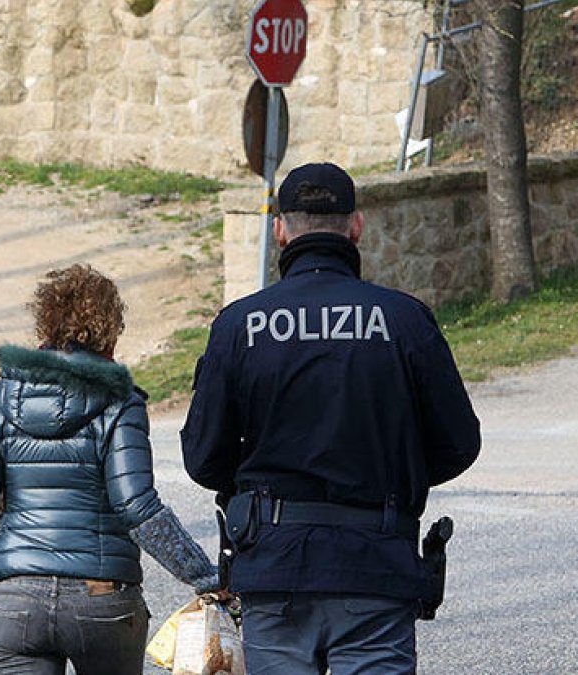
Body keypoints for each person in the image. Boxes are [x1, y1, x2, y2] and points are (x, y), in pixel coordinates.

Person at [180, 162, 481, 674]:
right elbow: (458, 442)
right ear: (355, 227)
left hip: (275, 567)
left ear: (279, 230)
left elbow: (203, 457)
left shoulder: (239, 325)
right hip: (375, 566)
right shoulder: (403, 320)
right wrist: (391, 470)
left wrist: (258, 486)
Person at [0, 264, 222, 675]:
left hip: (18, 599)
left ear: (44, 326)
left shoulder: (3, 398)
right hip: (101, 599)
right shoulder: (120, 402)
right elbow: (137, 507)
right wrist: (203, 574)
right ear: (109, 332)